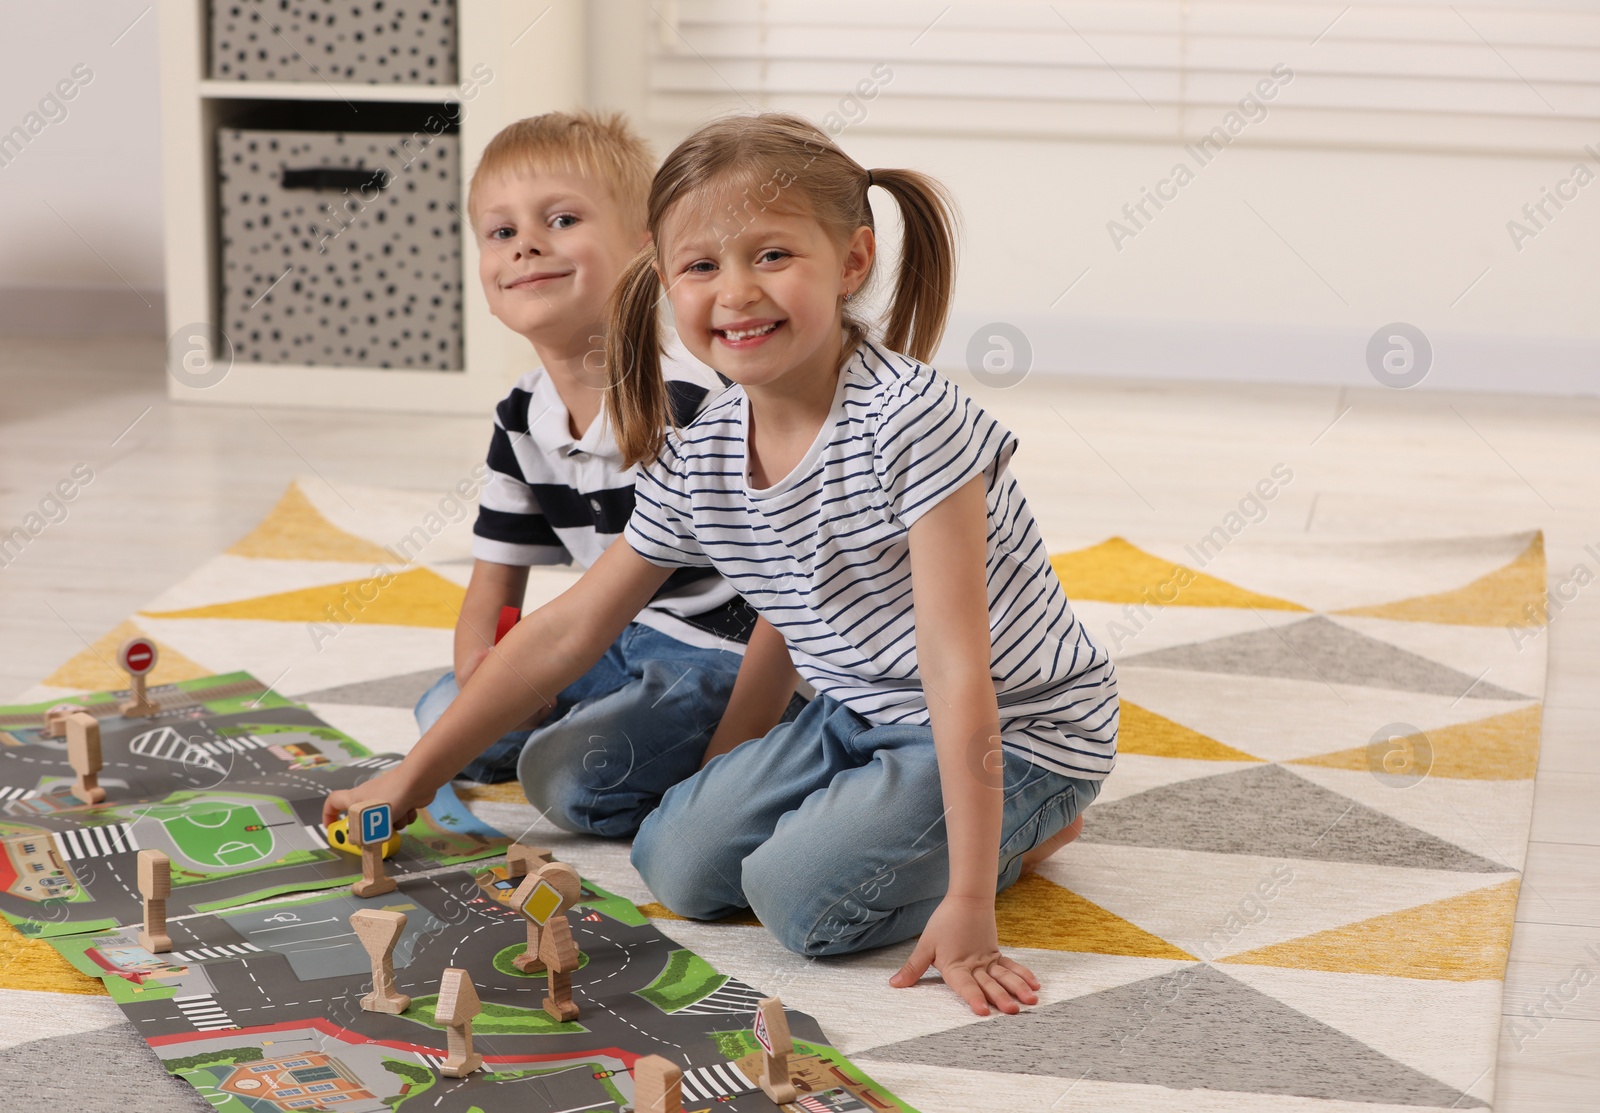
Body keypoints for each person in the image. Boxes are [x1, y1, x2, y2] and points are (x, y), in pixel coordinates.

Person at [328, 112, 1117, 1017]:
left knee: (803, 903)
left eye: (772, 255)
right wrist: (413, 777)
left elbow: (954, 667)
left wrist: (970, 900)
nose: (735, 292)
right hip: (854, 707)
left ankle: (1039, 817)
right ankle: (892, 814)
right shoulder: (704, 446)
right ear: (665, 282)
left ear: (853, 261)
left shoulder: (912, 421)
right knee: (677, 861)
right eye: (702, 267)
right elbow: (576, 625)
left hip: (1009, 728)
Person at [406, 109, 798, 836]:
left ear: (647, 252)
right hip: (613, 635)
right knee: (443, 710)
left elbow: (785, 592)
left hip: (721, 651)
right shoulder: (524, 412)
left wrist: (732, 747)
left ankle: (785, 750)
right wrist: (478, 668)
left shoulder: (691, 398)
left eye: (560, 220)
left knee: (568, 780)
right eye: (501, 232)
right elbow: (495, 585)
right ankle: (609, 719)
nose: (526, 244)